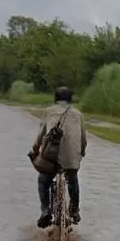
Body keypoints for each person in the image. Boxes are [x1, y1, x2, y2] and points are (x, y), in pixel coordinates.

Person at [29, 86, 87, 228]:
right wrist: (81, 152)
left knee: (43, 181)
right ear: (71, 99)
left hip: (51, 158)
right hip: (71, 159)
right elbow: (83, 139)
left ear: (55, 98)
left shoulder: (49, 112)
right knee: (72, 179)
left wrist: (35, 151)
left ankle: (45, 210)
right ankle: (74, 210)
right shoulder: (78, 114)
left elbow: (40, 136)